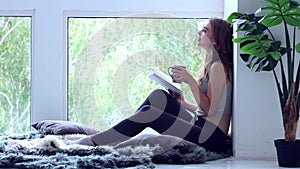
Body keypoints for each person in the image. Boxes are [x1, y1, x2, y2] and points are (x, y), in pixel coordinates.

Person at [71, 18, 233, 153]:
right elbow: (206, 110)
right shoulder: (211, 65)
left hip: (211, 137)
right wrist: (182, 104)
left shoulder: (218, 67)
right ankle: (119, 135)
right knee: (159, 96)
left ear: (215, 39)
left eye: (204, 30)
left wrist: (190, 80)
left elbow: (210, 110)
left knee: (151, 113)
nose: (199, 32)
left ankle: (95, 143)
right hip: (201, 126)